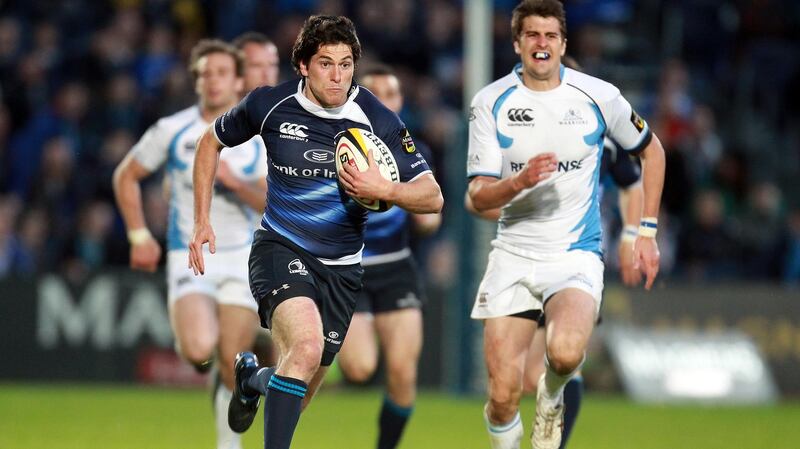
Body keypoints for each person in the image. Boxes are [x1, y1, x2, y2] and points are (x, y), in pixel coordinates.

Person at [188, 15, 443, 449]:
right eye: (326, 64)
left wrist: (386, 190)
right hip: (280, 248)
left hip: (342, 269)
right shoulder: (270, 104)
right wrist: (202, 219)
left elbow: (432, 196)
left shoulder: (374, 116)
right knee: (304, 349)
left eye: (346, 65)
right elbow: (209, 142)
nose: (338, 76)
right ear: (303, 66)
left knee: (298, 389)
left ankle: (252, 380)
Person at [466, 1, 665, 448]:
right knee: (502, 397)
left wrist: (645, 232)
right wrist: (517, 182)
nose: (542, 44)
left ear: (563, 43)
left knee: (565, 353)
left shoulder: (600, 96)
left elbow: (652, 152)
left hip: (575, 255)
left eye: (550, 35)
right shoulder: (490, 102)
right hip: (513, 255)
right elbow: (477, 195)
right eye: (532, 35)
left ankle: (552, 395)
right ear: (517, 43)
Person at [113, 39, 266, 449]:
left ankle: (228, 445)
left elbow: (273, 202)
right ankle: (217, 358)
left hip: (243, 259)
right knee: (199, 349)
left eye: (222, 73)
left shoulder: (259, 134)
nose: (213, 81)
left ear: (238, 81)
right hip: (190, 255)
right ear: (196, 81)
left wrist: (236, 183)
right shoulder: (172, 129)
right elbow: (126, 175)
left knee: (232, 361)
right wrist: (139, 234)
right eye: (204, 74)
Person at [467, 135, 644, 449]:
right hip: (521, 260)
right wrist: (524, 211)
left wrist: (632, 234)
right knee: (524, 380)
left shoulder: (602, 135)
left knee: (566, 355)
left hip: (577, 261)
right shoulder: (514, 129)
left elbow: (632, 183)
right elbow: (475, 200)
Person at [336, 64, 442, 449]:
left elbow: (431, 215)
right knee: (359, 367)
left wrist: (424, 216)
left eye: (391, 94)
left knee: (402, 373)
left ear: (400, 102)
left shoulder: (415, 152)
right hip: (349, 268)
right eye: (374, 94)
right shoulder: (338, 147)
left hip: (397, 266)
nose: (383, 101)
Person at [232, 31, 281, 367]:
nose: (266, 73)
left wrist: (234, 183)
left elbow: (274, 199)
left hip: (276, 248)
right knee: (228, 348)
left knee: (281, 350)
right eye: (256, 65)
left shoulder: (286, 123)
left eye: (272, 64)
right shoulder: (220, 126)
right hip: (226, 253)